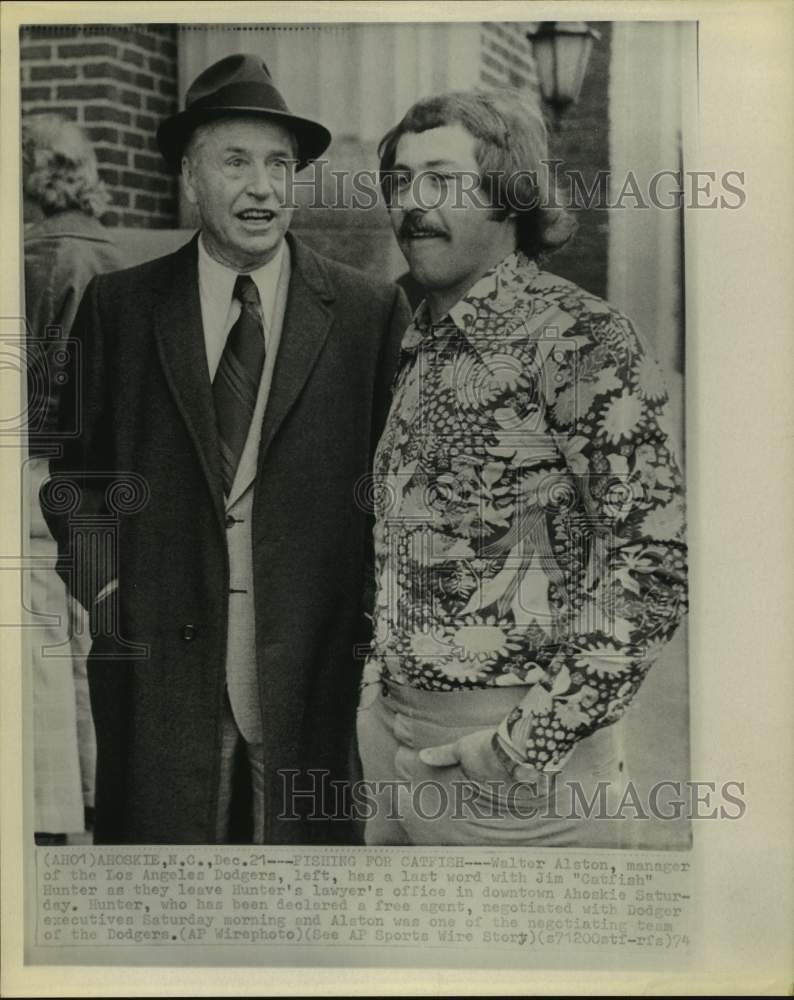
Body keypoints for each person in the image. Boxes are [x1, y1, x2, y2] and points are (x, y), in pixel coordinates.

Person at [42, 54, 410, 845]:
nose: (264, 187)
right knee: (163, 911)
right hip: (159, 679)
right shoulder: (120, 309)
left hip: (312, 674)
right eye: (237, 160)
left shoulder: (367, 314)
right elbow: (76, 481)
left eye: (281, 164)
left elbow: (395, 491)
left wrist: (368, 621)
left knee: (302, 911)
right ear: (190, 176)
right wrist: (109, 598)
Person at [357, 89, 688, 847]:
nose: (413, 203)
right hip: (399, 749)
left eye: (442, 178)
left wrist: (519, 746)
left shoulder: (580, 338)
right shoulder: (424, 340)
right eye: (402, 182)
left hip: (520, 786)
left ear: (511, 197)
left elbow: (653, 566)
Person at [23, 113, 124, 843]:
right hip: (112, 474)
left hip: (40, 468)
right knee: (94, 633)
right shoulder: (118, 256)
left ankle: (60, 809)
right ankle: (99, 792)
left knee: (44, 644)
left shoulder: (38, 259)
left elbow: (40, 393)